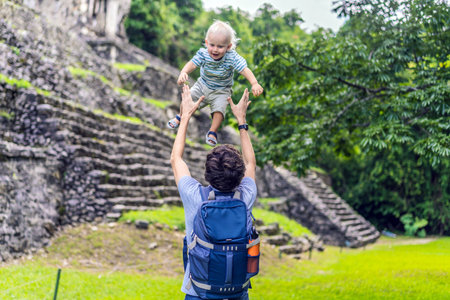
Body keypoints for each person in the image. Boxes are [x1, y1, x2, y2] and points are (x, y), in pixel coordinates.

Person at [170, 85, 257, 300]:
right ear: (240, 175)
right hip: (237, 292)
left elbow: (176, 159)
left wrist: (186, 114)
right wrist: (241, 121)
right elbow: (251, 163)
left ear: (207, 173)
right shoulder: (245, 197)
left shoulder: (194, 197)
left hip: (199, 292)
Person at [167, 20, 263, 147]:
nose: (215, 50)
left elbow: (244, 70)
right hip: (203, 85)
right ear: (207, 43)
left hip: (221, 90)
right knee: (187, 98)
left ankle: (212, 131)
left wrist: (254, 83)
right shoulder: (203, 53)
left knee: (219, 110)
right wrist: (184, 72)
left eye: (220, 46)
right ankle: (179, 117)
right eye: (212, 45)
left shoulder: (232, 57)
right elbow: (192, 64)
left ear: (228, 47)